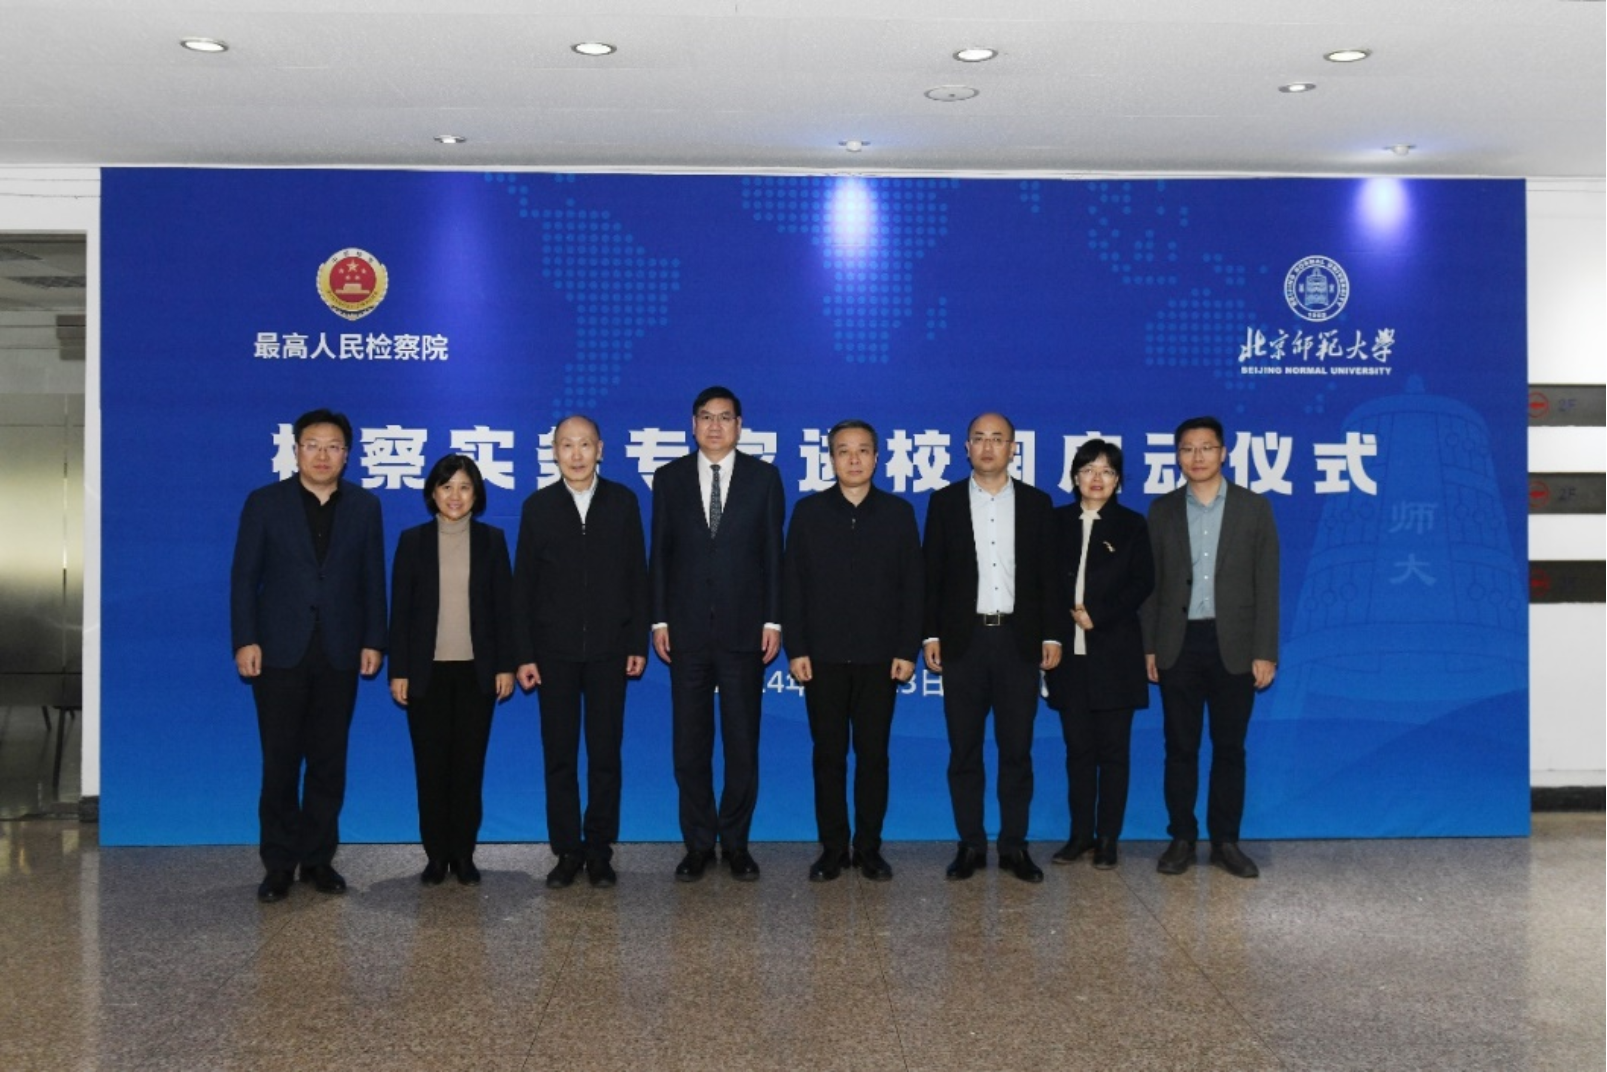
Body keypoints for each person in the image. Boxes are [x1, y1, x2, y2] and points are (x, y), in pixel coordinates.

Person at [230, 407, 387, 904]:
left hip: (339, 651)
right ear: (296, 449)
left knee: (328, 760)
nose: (323, 455)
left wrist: (374, 639)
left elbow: (372, 579)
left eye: (333, 447)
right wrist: (245, 639)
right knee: (280, 762)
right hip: (278, 651)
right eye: (313, 445)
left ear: (347, 455)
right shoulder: (265, 502)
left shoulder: (365, 506)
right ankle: (278, 863)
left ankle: (318, 859)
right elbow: (244, 577)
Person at [649, 386, 785, 882]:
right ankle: (699, 844)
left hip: (744, 631)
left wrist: (773, 620)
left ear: (739, 426)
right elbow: (660, 552)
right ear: (692, 424)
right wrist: (659, 619)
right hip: (685, 632)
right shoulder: (669, 478)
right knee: (690, 745)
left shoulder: (763, 478)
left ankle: (736, 843)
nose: (714, 426)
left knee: (741, 743)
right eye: (705, 417)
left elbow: (773, 554)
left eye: (724, 417)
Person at [922, 412, 1063, 883]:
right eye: (979, 439)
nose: (987, 447)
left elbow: (1049, 577)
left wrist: (1051, 635)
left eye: (997, 439)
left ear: (1012, 448)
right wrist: (930, 634)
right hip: (964, 642)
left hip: (1018, 642)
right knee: (964, 750)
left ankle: (1014, 846)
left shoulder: (1037, 504)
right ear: (966, 448)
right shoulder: (944, 502)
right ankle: (970, 845)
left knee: (1016, 750)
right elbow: (932, 575)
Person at [782, 419, 922, 883]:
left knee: (873, 756)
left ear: (877, 458)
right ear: (831, 458)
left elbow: (913, 588)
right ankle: (832, 849)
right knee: (828, 756)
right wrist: (797, 648)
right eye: (844, 450)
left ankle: (868, 848)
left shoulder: (899, 514)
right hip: (821, 658)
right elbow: (793, 585)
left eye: (863, 450)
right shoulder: (808, 513)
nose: (854, 459)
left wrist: (906, 649)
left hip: (880, 658)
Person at [1141, 416, 1280, 879]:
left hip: (1234, 644)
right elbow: (1151, 587)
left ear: (1223, 453)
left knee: (1229, 748)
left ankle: (1225, 841)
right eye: (1187, 448)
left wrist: (1265, 650)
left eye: (1206, 448)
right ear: (1177, 456)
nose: (1196, 457)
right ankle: (1182, 837)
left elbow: (1267, 583)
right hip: (1177, 643)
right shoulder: (1162, 510)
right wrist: (1149, 647)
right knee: (1179, 747)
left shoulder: (1253, 508)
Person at [513, 415, 649, 890]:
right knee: (560, 755)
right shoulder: (538, 507)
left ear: (601, 449)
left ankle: (599, 850)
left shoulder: (623, 502)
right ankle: (567, 849)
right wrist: (524, 653)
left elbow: (637, 576)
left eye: (585, 444)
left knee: (605, 754)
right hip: (554, 652)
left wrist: (636, 642)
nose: (576, 454)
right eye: (567, 445)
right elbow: (523, 587)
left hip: (611, 649)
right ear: (554, 452)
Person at [388, 454, 515, 887]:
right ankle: (435, 856)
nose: (455, 495)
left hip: (477, 673)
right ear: (432, 493)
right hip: (426, 674)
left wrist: (505, 665)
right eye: (446, 487)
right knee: (431, 768)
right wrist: (399, 669)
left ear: (476, 493)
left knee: (467, 767)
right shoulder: (412, 541)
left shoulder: (492, 541)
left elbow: (503, 609)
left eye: (464, 486)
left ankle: (463, 854)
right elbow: (400, 612)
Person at [1044, 439, 1154, 871]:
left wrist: (1099, 615)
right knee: (1078, 752)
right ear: (1075, 476)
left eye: (1107, 471)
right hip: (1069, 660)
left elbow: (1143, 582)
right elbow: (1042, 584)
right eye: (1088, 469)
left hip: (1114, 656)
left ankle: (1108, 839)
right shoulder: (1055, 522)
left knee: (1113, 753)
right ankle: (1079, 836)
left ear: (1118, 481)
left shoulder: (1132, 525)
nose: (1096, 478)